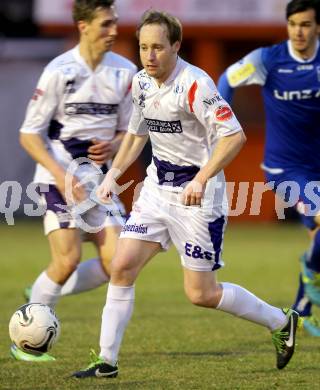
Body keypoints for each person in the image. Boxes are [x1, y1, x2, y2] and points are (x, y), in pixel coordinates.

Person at [71, 10, 301, 379]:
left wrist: (202, 178)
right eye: (144, 47)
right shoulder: (141, 82)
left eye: (158, 47)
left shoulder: (196, 84)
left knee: (201, 294)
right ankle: (106, 362)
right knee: (122, 266)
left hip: (198, 197)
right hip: (156, 190)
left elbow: (234, 136)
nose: (149, 56)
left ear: (176, 46)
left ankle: (280, 321)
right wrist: (113, 174)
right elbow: (136, 134)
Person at [12, 0, 137, 362]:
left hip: (100, 183)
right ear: (83, 26)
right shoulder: (58, 71)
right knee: (68, 259)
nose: (114, 31)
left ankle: (42, 290)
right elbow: (29, 134)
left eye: (115, 23)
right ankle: (26, 339)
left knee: (119, 264)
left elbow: (131, 130)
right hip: (58, 178)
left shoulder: (125, 72)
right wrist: (60, 173)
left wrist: (114, 143)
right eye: (105, 24)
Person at [217, 0, 320, 336]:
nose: (299, 32)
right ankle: (309, 272)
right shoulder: (268, 59)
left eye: (305, 24)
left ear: (317, 27)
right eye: (293, 24)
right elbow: (228, 78)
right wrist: (220, 123)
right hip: (284, 169)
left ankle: (301, 308)